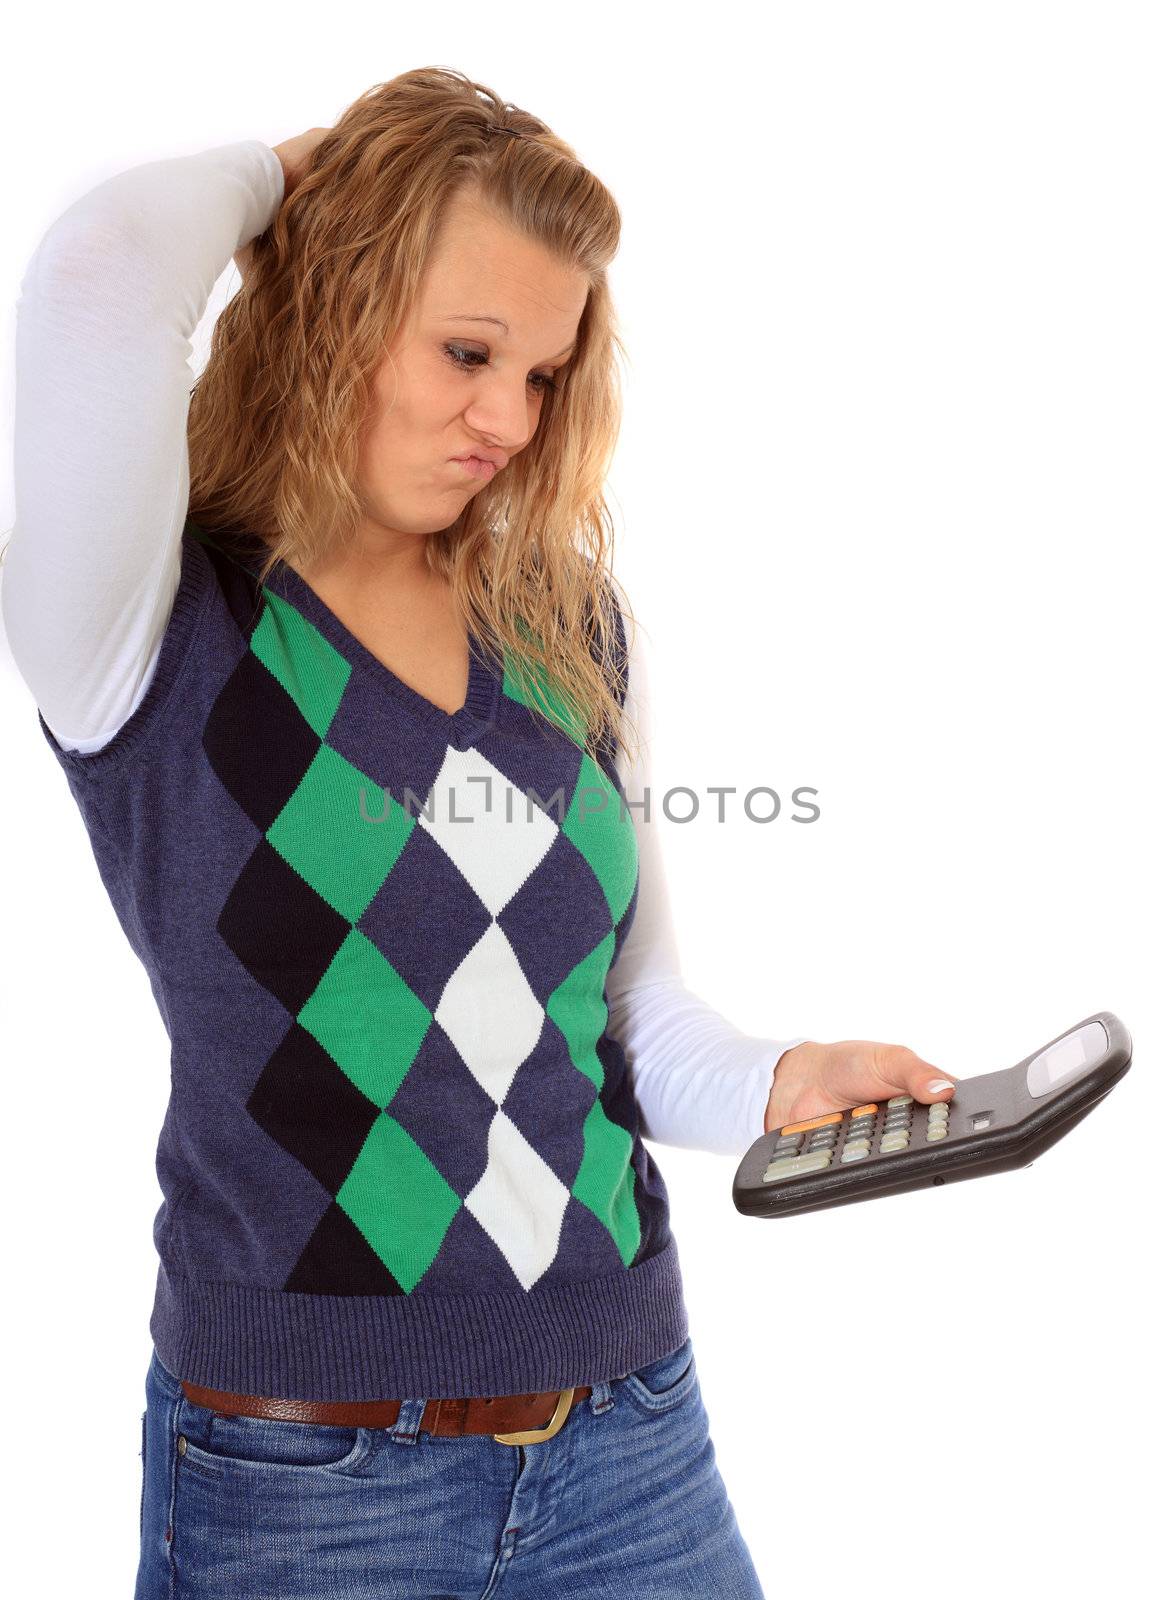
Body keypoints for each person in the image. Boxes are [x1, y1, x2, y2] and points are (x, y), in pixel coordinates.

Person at [3, 66, 957, 1599]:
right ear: (335, 300)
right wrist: (295, 177)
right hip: (306, 1482)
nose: (506, 420)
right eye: (467, 351)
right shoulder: (148, 627)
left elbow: (624, 1017)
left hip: (635, 1430)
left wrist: (782, 1080)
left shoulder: (570, 623)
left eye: (542, 375)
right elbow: (100, 267)